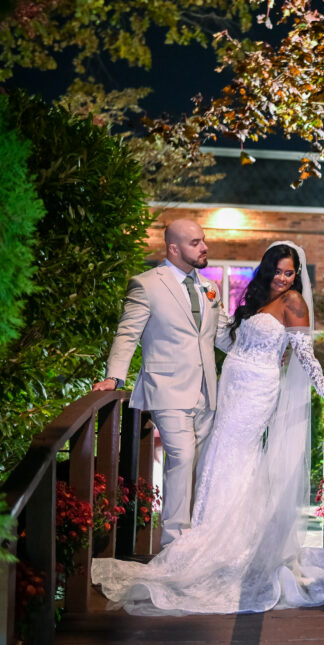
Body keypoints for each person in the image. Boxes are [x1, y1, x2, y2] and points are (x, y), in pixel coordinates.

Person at [91, 241, 324, 614]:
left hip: (257, 389)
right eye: (277, 271)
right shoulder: (259, 299)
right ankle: (212, 529)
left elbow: (304, 352)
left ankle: (233, 544)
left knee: (238, 453)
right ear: (267, 270)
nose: (282, 278)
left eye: (289, 273)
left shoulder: (294, 302)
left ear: (296, 275)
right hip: (232, 383)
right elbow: (232, 339)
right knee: (220, 453)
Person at [93, 219, 227, 548]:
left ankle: (198, 538)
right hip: (166, 387)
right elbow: (128, 333)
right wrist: (114, 377)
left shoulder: (210, 287)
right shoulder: (146, 284)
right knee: (181, 457)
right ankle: (174, 543)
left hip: (207, 390)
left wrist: (261, 351)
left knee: (201, 464)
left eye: (203, 240)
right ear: (173, 248)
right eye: (196, 242)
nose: (204, 247)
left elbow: (222, 335)